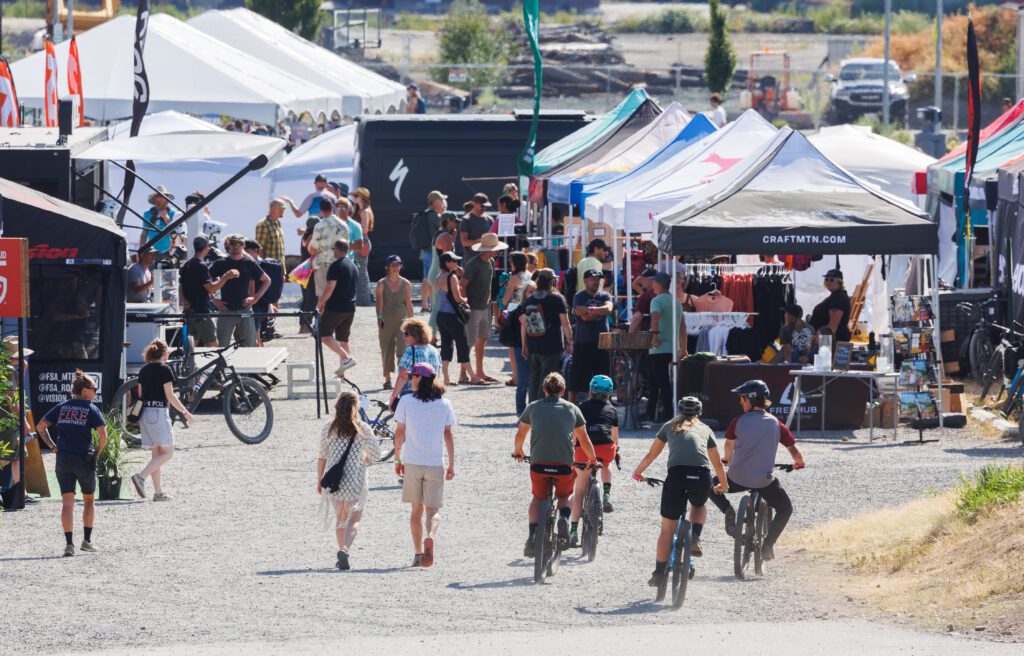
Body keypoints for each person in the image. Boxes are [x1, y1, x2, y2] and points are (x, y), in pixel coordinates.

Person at [632, 396, 729, 587]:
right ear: (699, 413)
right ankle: (695, 537)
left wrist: (638, 472)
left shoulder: (669, 426)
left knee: (667, 528)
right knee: (699, 505)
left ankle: (659, 573)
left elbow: (652, 454)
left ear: (679, 411)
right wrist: (723, 484)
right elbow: (717, 462)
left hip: (676, 476)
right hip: (701, 476)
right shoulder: (705, 429)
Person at [708, 379, 806, 561]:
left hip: (736, 478)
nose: (740, 402)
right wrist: (798, 464)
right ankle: (768, 545)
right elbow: (795, 452)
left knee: (709, 485)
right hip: (763, 481)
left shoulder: (737, 422)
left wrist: (727, 460)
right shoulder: (777, 424)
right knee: (785, 508)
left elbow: (728, 448)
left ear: (751, 400)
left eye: (742, 399)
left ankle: (729, 512)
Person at [513, 372, 597, 558]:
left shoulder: (533, 407)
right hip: (563, 464)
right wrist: (592, 460)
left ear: (544, 389)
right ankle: (564, 519)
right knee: (565, 495)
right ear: (563, 390)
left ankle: (532, 537)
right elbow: (584, 439)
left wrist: (518, 451)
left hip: (539, 464)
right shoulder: (572, 409)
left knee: (537, 498)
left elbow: (521, 435)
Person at [36, 371, 107, 556]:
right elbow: (103, 436)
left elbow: (40, 426)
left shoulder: (62, 406)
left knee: (67, 504)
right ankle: (87, 540)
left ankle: (69, 544)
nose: (95, 392)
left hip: (63, 460)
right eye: (94, 389)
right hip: (84, 459)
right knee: (89, 500)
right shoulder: (91, 408)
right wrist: (97, 454)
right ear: (84, 391)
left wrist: (52, 446)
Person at [394, 363, 456, 567]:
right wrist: (451, 464)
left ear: (420, 379)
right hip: (434, 462)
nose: (411, 380)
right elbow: (448, 435)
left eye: (413, 377)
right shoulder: (444, 404)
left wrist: (398, 458)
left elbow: (400, 432)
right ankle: (430, 535)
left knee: (416, 510)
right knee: (433, 510)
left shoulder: (406, 401)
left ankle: (418, 553)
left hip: (412, 461)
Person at [316, 391, 381, 571]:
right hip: (355, 480)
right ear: (356, 408)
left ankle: (340, 550)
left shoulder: (328, 428)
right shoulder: (363, 428)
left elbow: (322, 457)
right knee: (354, 519)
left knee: (340, 518)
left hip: (335, 481)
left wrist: (319, 480)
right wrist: (364, 457)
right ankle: (345, 549)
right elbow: (376, 454)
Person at [129, 339, 192, 501]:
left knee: (156, 454)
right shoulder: (165, 370)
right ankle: (141, 477)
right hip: (158, 412)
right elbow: (170, 396)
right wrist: (185, 413)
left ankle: (158, 493)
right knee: (168, 453)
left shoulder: (143, 371)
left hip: (145, 414)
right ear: (165, 354)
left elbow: (141, 395)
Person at [569, 375, 619, 547]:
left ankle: (573, 530)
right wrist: (616, 450)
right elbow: (615, 437)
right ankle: (606, 492)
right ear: (609, 393)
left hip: (584, 451)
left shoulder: (581, 407)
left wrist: (571, 447)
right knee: (607, 462)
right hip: (605, 448)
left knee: (580, 490)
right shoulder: (612, 410)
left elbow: (576, 434)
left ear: (590, 390)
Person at [209, 234, 271, 347]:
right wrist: (213, 299)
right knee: (222, 346)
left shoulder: (249, 262)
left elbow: (267, 280)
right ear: (229, 245)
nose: (236, 246)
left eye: (239, 243)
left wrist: (255, 298)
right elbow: (205, 283)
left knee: (250, 344)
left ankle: (248, 364)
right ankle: (222, 365)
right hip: (226, 311)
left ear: (244, 245)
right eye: (233, 243)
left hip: (245, 311)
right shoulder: (221, 263)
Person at [520, 269, 572, 403]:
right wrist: (570, 341)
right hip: (552, 345)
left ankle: (532, 410)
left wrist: (524, 345)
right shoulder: (557, 299)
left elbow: (524, 324)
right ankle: (542, 410)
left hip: (533, 344)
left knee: (534, 380)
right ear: (552, 281)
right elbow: (565, 323)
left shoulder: (530, 299)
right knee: (547, 380)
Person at [463, 233, 507, 384]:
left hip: (484, 306)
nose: (497, 251)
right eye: (495, 249)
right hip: (473, 307)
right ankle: (464, 374)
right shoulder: (473, 264)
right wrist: (465, 305)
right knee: (470, 340)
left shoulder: (491, 262)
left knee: (483, 338)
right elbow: (462, 285)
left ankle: (479, 371)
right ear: (487, 249)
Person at [179, 236, 238, 347]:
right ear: (206, 247)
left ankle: (188, 365)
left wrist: (184, 301)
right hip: (201, 312)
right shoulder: (201, 266)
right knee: (213, 345)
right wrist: (225, 277)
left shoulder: (187, 264)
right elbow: (211, 288)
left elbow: (181, 285)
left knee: (190, 346)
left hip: (189, 312)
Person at [646, 272, 686, 424]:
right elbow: (683, 327)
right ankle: (652, 412)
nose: (652, 285)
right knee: (656, 381)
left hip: (659, 348)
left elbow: (654, 319)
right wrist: (684, 347)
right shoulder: (676, 302)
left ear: (658, 284)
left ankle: (667, 414)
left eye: (654, 282)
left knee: (660, 382)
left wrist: (655, 337)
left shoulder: (656, 301)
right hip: (671, 347)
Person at [570, 269, 613, 402]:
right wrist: (599, 311)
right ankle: (575, 407)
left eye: (598, 279)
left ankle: (605, 405)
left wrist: (590, 310)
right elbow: (580, 313)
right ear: (585, 280)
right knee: (579, 379)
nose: (596, 282)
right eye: (592, 279)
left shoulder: (605, 296)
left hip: (602, 343)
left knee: (604, 377)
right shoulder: (579, 296)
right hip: (583, 343)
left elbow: (608, 309)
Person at [317, 240, 359, 375]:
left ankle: (347, 358)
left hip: (336, 307)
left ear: (337, 249)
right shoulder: (353, 266)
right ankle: (342, 372)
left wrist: (321, 302)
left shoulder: (335, 266)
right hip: (350, 307)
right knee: (343, 340)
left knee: (324, 336)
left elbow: (330, 287)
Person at [376, 255, 415, 390]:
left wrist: (412, 320)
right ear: (387, 267)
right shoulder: (381, 283)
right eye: (393, 265)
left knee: (403, 348)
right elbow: (379, 302)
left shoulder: (406, 283)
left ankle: (402, 377)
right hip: (386, 320)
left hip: (402, 320)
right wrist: (379, 317)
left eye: (398, 265)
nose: (396, 267)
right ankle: (387, 379)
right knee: (386, 348)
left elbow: (409, 303)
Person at [435, 251, 473, 386]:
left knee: (446, 345)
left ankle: (446, 378)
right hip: (452, 315)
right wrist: (466, 300)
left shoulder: (438, 277)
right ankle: (472, 376)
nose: (457, 263)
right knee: (462, 343)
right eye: (454, 261)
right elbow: (457, 298)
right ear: (447, 263)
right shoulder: (452, 277)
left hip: (441, 315)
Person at [390, 318, 443, 407]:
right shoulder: (434, 350)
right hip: (432, 394)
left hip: (412, 394)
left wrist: (393, 398)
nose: (403, 337)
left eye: (406, 334)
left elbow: (403, 376)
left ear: (415, 335)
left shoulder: (411, 350)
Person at [501, 252, 532, 388]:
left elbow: (505, 299)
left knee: (512, 347)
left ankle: (516, 377)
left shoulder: (515, 278)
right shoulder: (530, 275)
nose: (510, 264)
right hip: (527, 312)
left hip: (514, 312)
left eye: (511, 261)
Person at [308, 198, 349, 302]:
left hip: (323, 264)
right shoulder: (344, 225)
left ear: (321, 210)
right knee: (339, 295)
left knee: (323, 296)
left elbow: (313, 249)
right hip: (341, 264)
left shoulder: (319, 226)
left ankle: (323, 318)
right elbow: (346, 247)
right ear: (333, 207)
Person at [428, 212, 458, 336]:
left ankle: (433, 335)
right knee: (438, 307)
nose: (456, 224)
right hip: (440, 274)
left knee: (437, 305)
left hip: (434, 272)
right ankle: (430, 336)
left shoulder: (438, 234)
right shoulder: (446, 237)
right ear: (447, 221)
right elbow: (448, 259)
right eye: (454, 221)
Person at [509, 280, 536, 416]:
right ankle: (521, 411)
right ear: (524, 293)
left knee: (532, 380)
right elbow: (522, 328)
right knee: (523, 380)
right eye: (530, 291)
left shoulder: (535, 306)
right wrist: (525, 346)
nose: (533, 294)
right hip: (522, 347)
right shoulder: (521, 308)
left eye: (534, 291)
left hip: (532, 347)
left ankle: (530, 410)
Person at [418, 191, 446, 313]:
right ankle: (433, 304)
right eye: (441, 200)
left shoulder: (425, 213)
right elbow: (442, 231)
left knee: (425, 278)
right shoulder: (435, 216)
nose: (443, 202)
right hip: (433, 251)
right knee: (433, 277)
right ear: (435, 201)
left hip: (424, 250)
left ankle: (425, 304)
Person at [808, 269, 852, 342]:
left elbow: (832, 328)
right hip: (826, 340)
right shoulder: (836, 296)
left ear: (839, 282)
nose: (828, 282)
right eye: (826, 279)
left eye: (832, 280)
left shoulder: (838, 298)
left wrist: (824, 348)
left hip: (830, 342)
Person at [351, 187, 375, 307]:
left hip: (362, 241)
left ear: (362, 198)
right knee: (361, 270)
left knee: (361, 271)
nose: (354, 197)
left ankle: (364, 299)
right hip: (361, 241)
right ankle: (363, 299)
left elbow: (364, 229)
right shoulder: (361, 210)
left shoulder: (365, 211)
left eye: (357, 196)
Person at [139, 186, 177, 255]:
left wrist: (166, 218)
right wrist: (141, 249)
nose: (158, 199)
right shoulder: (147, 213)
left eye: (161, 196)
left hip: (169, 252)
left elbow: (175, 234)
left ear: (166, 199)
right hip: (152, 253)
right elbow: (144, 232)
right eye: (156, 197)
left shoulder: (174, 213)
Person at [458, 193, 494, 260]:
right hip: (471, 260)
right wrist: (480, 242)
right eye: (482, 205)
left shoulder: (490, 219)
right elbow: (464, 242)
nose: (484, 208)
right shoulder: (466, 220)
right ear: (474, 203)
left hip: (487, 259)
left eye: (486, 206)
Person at [254, 199, 288, 265]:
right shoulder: (263, 225)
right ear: (272, 209)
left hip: (279, 268)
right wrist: (263, 269)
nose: (282, 211)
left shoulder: (278, 223)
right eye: (280, 208)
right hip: (269, 268)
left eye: (283, 208)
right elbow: (259, 249)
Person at [628, 268, 659, 334]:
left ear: (649, 280)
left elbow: (637, 318)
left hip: (648, 335)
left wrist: (629, 338)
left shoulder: (646, 296)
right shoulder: (663, 294)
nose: (641, 281)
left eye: (643, 279)